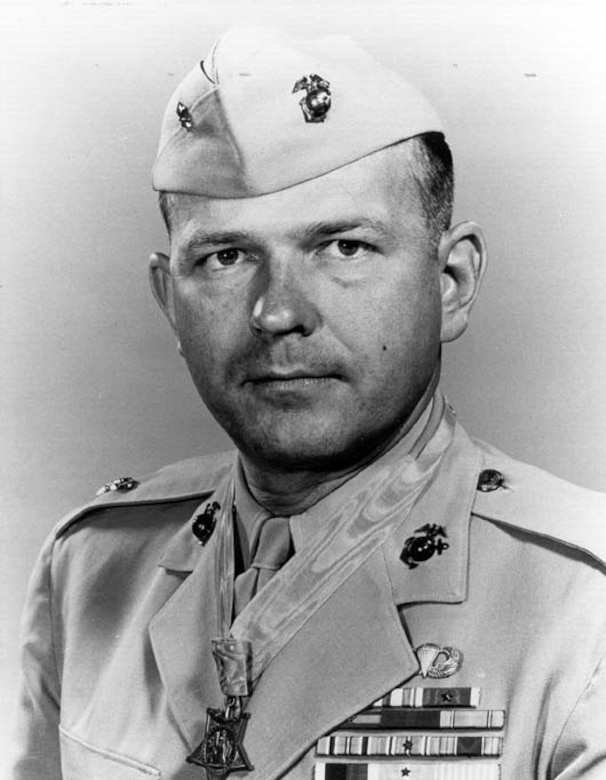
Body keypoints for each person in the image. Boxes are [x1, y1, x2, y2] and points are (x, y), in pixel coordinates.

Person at [8, 26, 606, 780]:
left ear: (451, 283)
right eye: (226, 257)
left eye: (342, 247)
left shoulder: (582, 605)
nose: (277, 312)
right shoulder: (92, 569)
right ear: (169, 300)